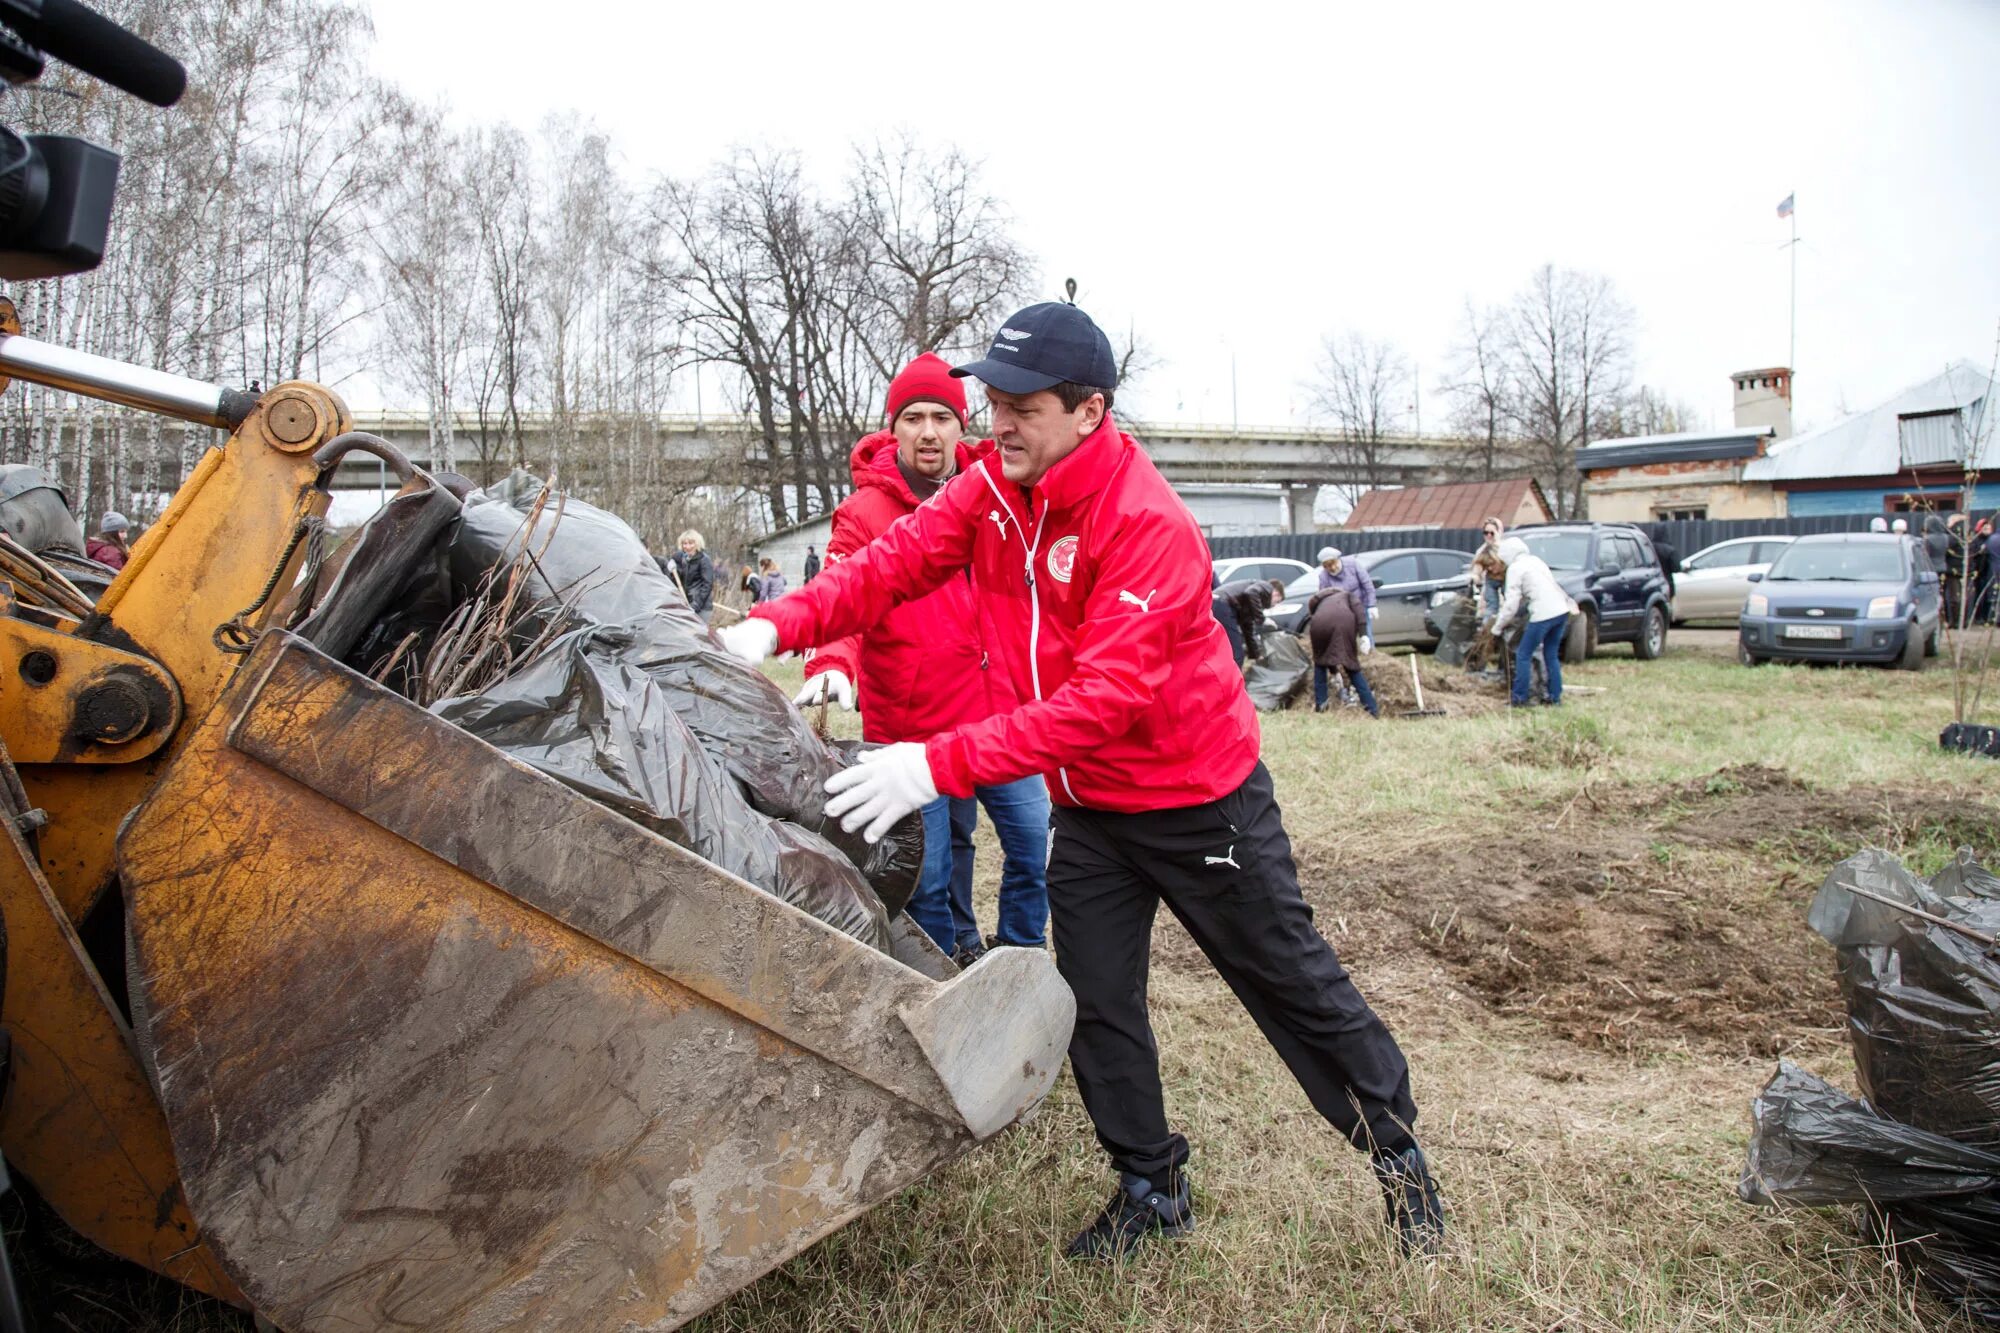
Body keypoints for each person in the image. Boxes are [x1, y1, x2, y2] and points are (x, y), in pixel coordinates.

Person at [718, 301, 1443, 1261]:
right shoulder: (994, 491)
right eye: (992, 401)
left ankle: (1397, 1155)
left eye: (1021, 405)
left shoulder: (1147, 525)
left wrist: (933, 763)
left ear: (1089, 410)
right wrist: (779, 626)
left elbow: (1104, 700)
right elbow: (888, 566)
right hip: (1094, 808)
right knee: (1096, 995)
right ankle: (1151, 1183)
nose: (996, 422)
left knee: (1289, 982)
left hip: (1199, 800)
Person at [791, 351, 1049, 967]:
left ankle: (1020, 958)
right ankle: (944, 972)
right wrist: (831, 663)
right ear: (893, 427)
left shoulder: (1003, 493)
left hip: (1000, 718)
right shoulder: (865, 515)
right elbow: (844, 592)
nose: (928, 431)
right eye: (913, 418)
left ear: (963, 426)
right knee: (928, 875)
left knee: (1035, 845)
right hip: (914, 728)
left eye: (942, 416)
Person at [1492, 536, 1570, 708]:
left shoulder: (1515, 568)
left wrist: (1497, 628)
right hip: (1561, 610)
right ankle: (1555, 698)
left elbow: (1511, 605)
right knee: (1551, 655)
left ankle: (1520, 698)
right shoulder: (1536, 561)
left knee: (1523, 654)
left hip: (1543, 614)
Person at [1306, 586, 1377, 717]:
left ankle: (1321, 706)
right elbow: (1360, 612)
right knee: (1351, 666)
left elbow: (1329, 650)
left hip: (1317, 625)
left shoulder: (1319, 603)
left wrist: (1334, 671)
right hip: (1343, 623)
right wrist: (1364, 634)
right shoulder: (1347, 595)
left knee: (1320, 663)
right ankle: (1372, 709)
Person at [1211, 577, 1286, 668]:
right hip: (1222, 605)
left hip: (1216, 603)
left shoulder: (1247, 604)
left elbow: (1248, 628)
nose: (1273, 606)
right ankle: (1234, 680)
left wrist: (1255, 654)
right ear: (1276, 594)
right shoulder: (1267, 587)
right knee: (1236, 653)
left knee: (1222, 650)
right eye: (1277, 602)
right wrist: (1262, 619)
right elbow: (1251, 592)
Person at [1316, 547, 1378, 633]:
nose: (1333, 568)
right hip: (1342, 611)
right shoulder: (1323, 577)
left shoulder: (1352, 565)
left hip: (1361, 605)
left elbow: (1367, 585)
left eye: (1334, 564)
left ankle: (1368, 645)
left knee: (1366, 634)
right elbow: (1324, 597)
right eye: (1327, 566)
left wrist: (1371, 605)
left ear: (1338, 559)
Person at [665, 530, 718, 621]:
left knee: (699, 634)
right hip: (687, 604)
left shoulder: (704, 560)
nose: (687, 546)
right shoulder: (685, 560)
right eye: (684, 543)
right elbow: (679, 582)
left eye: (691, 543)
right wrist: (672, 571)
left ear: (697, 543)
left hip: (701, 608)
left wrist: (695, 605)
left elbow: (707, 586)